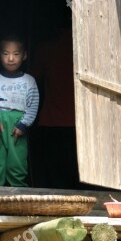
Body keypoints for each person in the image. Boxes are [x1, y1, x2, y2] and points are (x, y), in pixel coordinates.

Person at [0, 34, 39, 186]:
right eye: (6, 54)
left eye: (16, 53)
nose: (11, 58)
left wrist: (23, 125)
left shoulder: (29, 81)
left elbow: (32, 105)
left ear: (24, 55)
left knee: (17, 162)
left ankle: (19, 192)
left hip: (17, 125)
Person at [31, 25, 79, 189]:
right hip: (79, 123)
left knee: (54, 175)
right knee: (75, 174)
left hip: (51, 121)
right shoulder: (83, 48)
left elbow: (33, 80)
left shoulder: (46, 49)